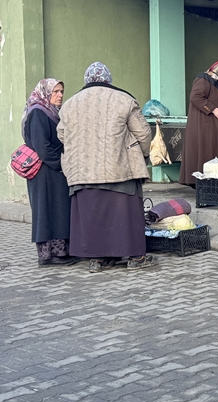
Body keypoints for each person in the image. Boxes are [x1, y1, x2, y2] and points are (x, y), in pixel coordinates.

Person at [57, 62, 155, 272]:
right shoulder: (124, 100)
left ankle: (99, 259)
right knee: (125, 214)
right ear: (108, 79)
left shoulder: (70, 104)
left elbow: (62, 135)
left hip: (82, 171)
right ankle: (136, 258)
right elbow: (144, 133)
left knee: (92, 215)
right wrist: (143, 155)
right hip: (118, 168)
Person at [22, 78, 76, 266]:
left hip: (53, 170)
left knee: (59, 210)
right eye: (56, 92)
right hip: (44, 172)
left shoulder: (52, 112)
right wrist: (62, 163)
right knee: (46, 211)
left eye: (62, 91)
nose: (60, 95)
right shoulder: (37, 112)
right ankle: (49, 255)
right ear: (45, 92)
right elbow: (41, 146)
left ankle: (61, 251)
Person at [180, 58, 218, 187]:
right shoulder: (204, 79)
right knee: (209, 152)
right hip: (208, 126)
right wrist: (213, 109)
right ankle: (205, 184)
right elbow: (195, 97)